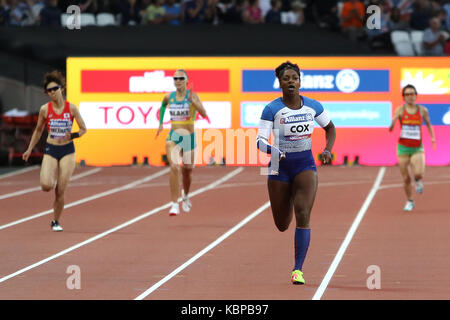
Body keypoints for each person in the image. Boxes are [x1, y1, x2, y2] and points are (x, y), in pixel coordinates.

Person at [256, 61, 336, 285]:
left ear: (300, 81)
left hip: (305, 165)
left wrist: (327, 149)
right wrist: (272, 149)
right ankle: (289, 195)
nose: (291, 81)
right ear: (279, 83)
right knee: (282, 224)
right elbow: (259, 141)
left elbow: (330, 128)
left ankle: (297, 269)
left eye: (294, 78)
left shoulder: (313, 106)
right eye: (286, 78)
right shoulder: (271, 109)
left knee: (303, 212)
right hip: (277, 166)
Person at [22, 70, 87, 231]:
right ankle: (51, 178)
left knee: (60, 190)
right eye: (49, 91)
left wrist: (71, 135)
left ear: (61, 89)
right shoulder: (45, 109)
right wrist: (29, 149)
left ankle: (55, 221)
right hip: (51, 149)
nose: (52, 92)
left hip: (67, 151)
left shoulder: (71, 108)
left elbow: (84, 129)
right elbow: (38, 130)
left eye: (54, 89)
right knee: (46, 185)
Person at [155, 69, 208, 216]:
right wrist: (160, 123)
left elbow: (203, 113)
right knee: (174, 167)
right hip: (174, 137)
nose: (177, 81)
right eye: (175, 78)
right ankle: (174, 204)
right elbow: (163, 105)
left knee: (188, 170)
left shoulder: (193, 96)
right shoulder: (169, 97)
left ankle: (185, 194)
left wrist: (193, 102)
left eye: (181, 78)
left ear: (186, 81)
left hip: (189, 138)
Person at [388, 84, 436, 212]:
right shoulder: (400, 110)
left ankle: (418, 180)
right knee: (405, 178)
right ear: (404, 97)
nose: (410, 96)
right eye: (408, 94)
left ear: (416, 95)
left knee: (419, 173)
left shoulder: (422, 110)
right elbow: (391, 129)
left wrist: (433, 138)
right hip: (403, 148)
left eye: (413, 94)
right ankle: (410, 201)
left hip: (417, 147)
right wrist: (393, 121)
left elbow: (429, 124)